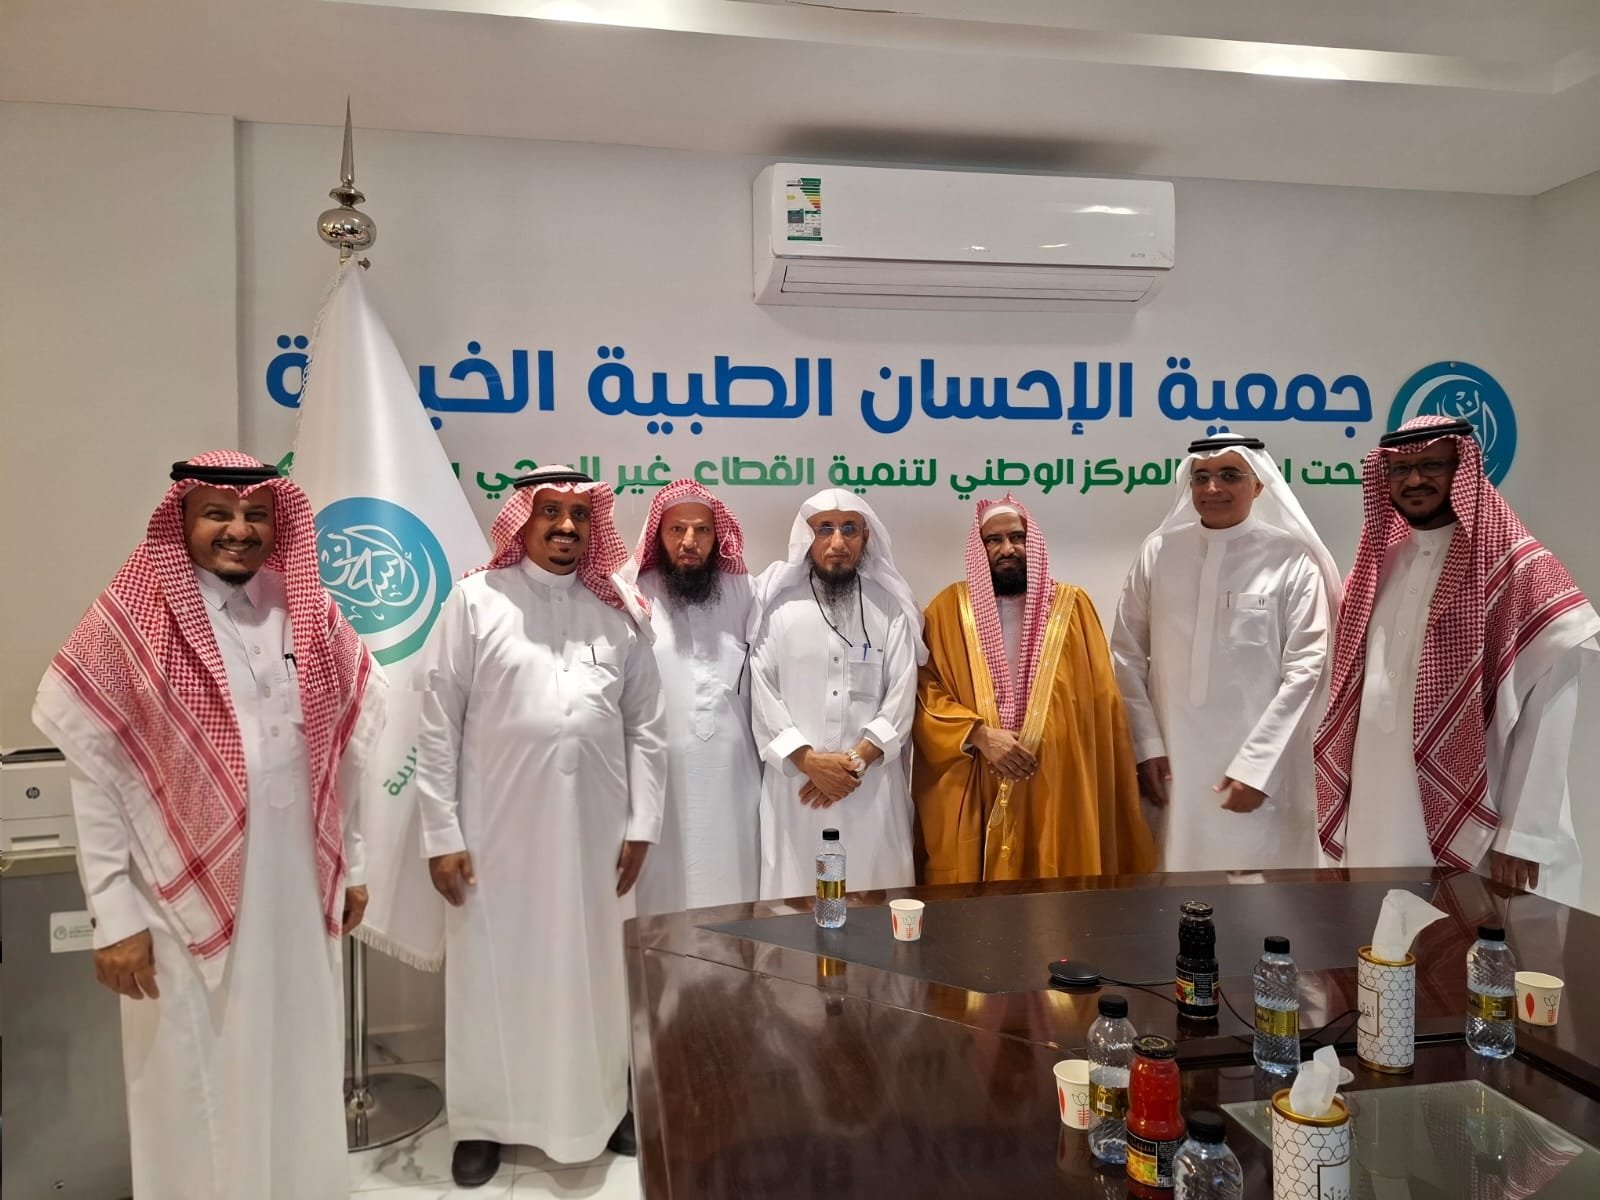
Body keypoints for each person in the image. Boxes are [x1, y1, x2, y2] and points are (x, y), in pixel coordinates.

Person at [32, 451, 386, 1200]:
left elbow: (343, 753)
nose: (239, 530)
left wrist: (352, 864)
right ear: (183, 520)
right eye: (218, 514)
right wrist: (113, 915)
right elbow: (97, 775)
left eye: (257, 515)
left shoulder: (304, 608)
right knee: (198, 1082)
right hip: (177, 901)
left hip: (297, 888)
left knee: (297, 1056)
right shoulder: (129, 621)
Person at [414, 464, 667, 1185]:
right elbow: (436, 725)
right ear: (520, 521)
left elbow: (648, 727)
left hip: (597, 837)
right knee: (494, 974)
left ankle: (601, 1105)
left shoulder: (617, 612)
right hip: (495, 839)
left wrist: (643, 824)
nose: (565, 527)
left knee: (596, 968)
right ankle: (485, 1121)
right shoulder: (475, 601)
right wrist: (441, 835)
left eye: (579, 515)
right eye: (548, 512)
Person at [1316, 416, 1599, 902]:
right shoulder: (1380, 564)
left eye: (1431, 465)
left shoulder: (1521, 569)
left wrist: (1523, 834)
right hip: (1377, 805)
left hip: (1484, 811)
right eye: (1400, 469)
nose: (1414, 480)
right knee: (1380, 930)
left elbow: (1550, 708)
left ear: (1464, 469)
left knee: (1475, 938)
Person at [1110, 436, 1339, 871]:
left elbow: (1308, 668)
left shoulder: (1292, 559)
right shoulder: (1159, 551)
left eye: (1229, 475)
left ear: (1258, 485)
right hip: (1174, 763)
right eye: (1201, 477)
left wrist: (1258, 766)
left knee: (1264, 894)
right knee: (1177, 885)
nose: (1212, 488)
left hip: (1262, 770)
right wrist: (1146, 745)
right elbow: (1126, 652)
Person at [914, 496, 1156, 882]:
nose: (1007, 549)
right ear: (979, 548)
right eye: (993, 540)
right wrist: (980, 734)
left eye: (1017, 537)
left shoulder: (1073, 607)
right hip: (978, 776)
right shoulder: (947, 610)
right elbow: (926, 692)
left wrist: (1052, 743)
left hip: (1056, 782)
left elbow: (1100, 703)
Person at [748, 488, 922, 897]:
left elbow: (902, 694)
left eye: (849, 529)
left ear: (866, 537)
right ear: (806, 538)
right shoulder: (776, 607)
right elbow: (761, 691)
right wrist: (808, 762)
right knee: (793, 905)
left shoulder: (890, 608)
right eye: (824, 529)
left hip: (871, 791)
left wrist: (855, 764)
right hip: (797, 789)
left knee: (876, 901)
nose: (837, 542)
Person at [630, 478, 762, 913]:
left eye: (703, 530)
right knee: (662, 896)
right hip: (658, 775)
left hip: (734, 778)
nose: (690, 541)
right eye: (677, 529)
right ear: (658, 535)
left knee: (734, 890)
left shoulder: (745, 592)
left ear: (717, 536)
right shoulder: (633, 595)